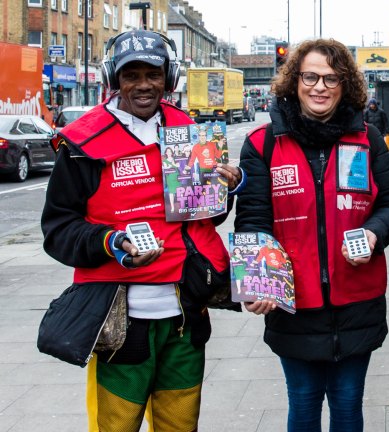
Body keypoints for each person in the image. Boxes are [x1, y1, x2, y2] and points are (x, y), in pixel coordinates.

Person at [40, 29, 244, 431]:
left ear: (169, 78)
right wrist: (110, 242)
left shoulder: (191, 131)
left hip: (185, 316)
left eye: (153, 74)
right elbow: (58, 230)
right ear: (113, 79)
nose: (143, 85)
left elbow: (206, 218)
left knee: (182, 425)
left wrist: (227, 187)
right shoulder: (81, 145)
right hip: (120, 324)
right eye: (131, 75)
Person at [235, 38, 389, 431]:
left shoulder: (366, 138)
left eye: (332, 78)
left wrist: (374, 235)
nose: (320, 87)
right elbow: (253, 221)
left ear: (346, 85)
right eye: (310, 76)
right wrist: (256, 284)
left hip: (356, 302)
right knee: (304, 407)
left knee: (348, 410)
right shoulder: (263, 144)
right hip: (293, 305)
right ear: (295, 81)